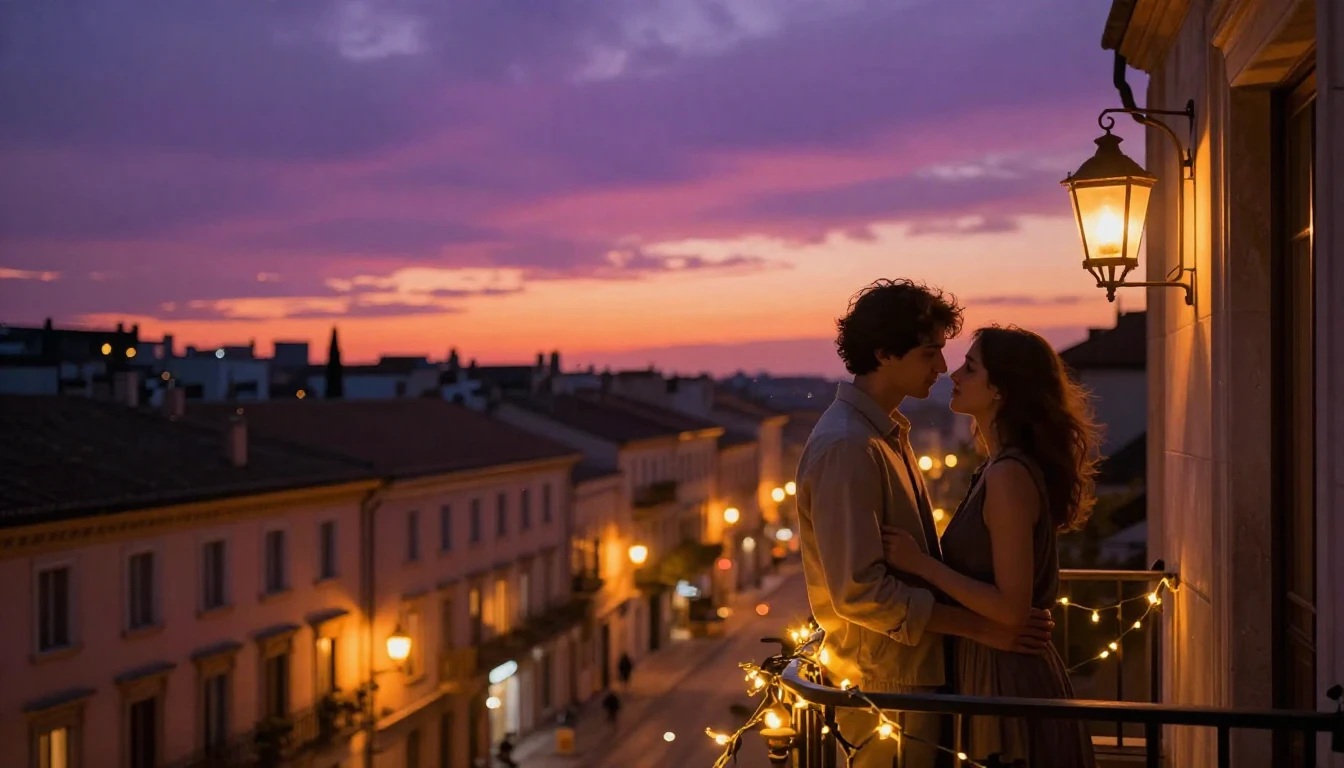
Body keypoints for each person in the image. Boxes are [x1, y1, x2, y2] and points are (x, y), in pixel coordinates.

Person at [796, 280, 1055, 768]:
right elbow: (860, 593)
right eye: (929, 352)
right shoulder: (849, 446)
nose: (941, 368)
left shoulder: (884, 435)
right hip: (884, 687)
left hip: (908, 677)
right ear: (884, 354)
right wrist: (980, 628)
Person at [881, 325, 1099, 767]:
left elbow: (1012, 610)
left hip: (1007, 677)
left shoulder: (1008, 476)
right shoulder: (999, 468)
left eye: (971, 367)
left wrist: (921, 564)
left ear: (1001, 389)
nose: (954, 374)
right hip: (993, 669)